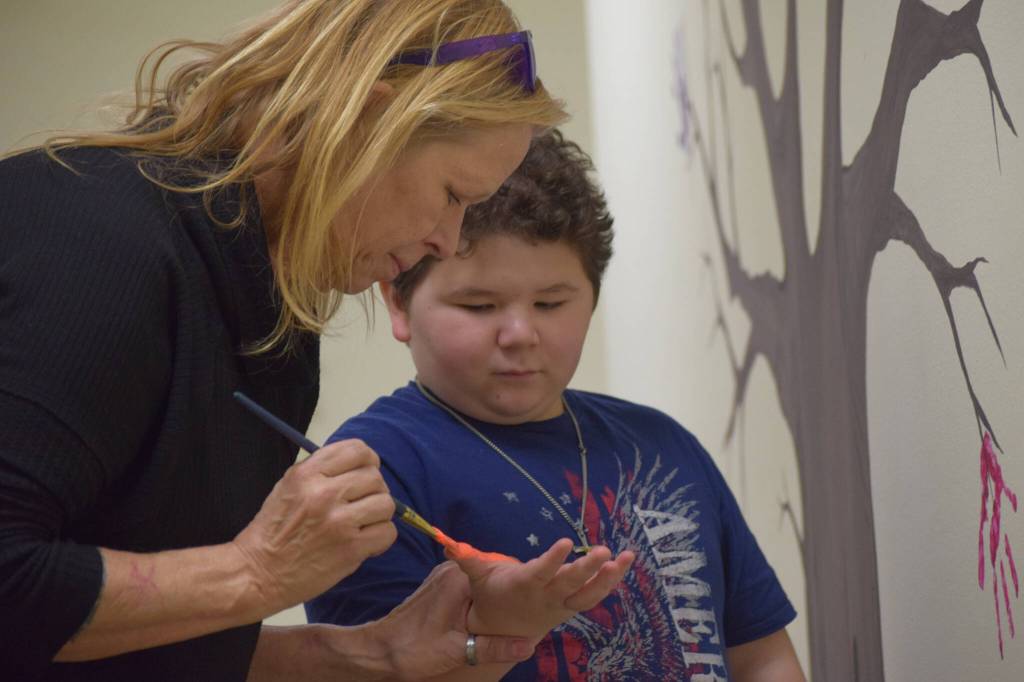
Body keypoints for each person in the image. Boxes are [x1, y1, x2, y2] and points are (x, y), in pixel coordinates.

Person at [0, 1, 635, 680]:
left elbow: (126, 645)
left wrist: (373, 654)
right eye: (453, 194)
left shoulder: (273, 328)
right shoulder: (95, 240)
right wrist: (252, 572)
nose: (446, 241)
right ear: (367, 116)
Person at [305, 129, 807, 680]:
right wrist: (503, 628)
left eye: (551, 302)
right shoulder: (374, 471)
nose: (520, 333)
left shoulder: (662, 445)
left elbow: (763, 655)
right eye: (478, 305)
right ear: (398, 303)